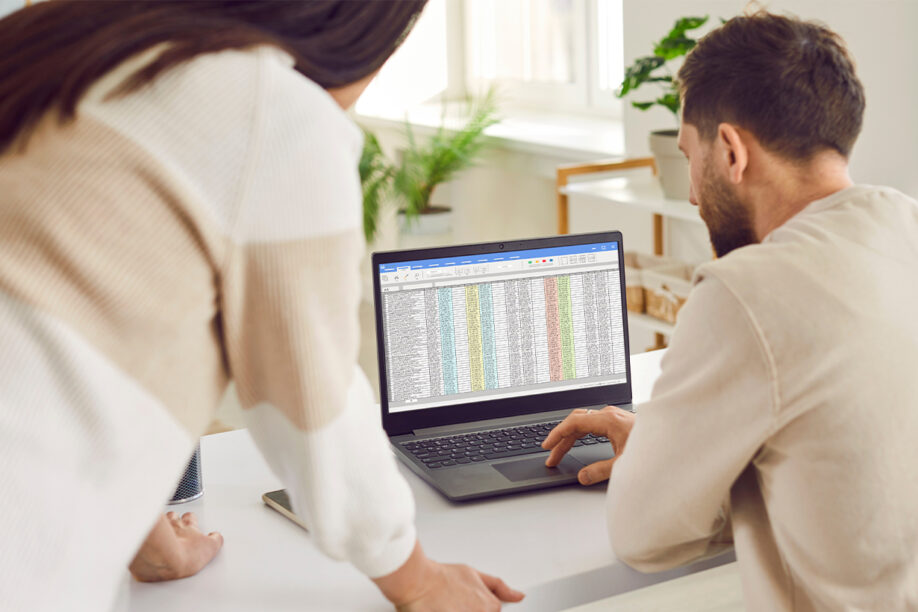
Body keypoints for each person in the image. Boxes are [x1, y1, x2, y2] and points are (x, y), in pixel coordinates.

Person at [0, 2, 524, 610]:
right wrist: (419, 579)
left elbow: (58, 327)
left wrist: (143, 533)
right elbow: (312, 401)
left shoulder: (58, 44)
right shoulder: (267, 108)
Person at [542, 11, 918, 611]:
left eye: (689, 156)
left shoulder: (748, 290)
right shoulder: (906, 223)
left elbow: (641, 537)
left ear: (731, 152)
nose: (691, 193)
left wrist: (654, 457)